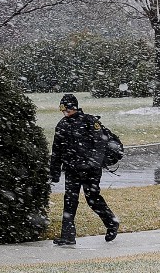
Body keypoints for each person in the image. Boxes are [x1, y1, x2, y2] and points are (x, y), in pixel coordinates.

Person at [49, 93, 119, 246]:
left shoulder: (89, 121)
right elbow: (57, 151)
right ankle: (67, 236)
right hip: (72, 170)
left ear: (74, 107)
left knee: (93, 199)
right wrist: (54, 172)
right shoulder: (62, 125)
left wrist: (92, 164)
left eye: (66, 108)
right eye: (62, 109)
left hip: (90, 171)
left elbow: (100, 144)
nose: (64, 111)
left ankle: (112, 223)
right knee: (69, 201)